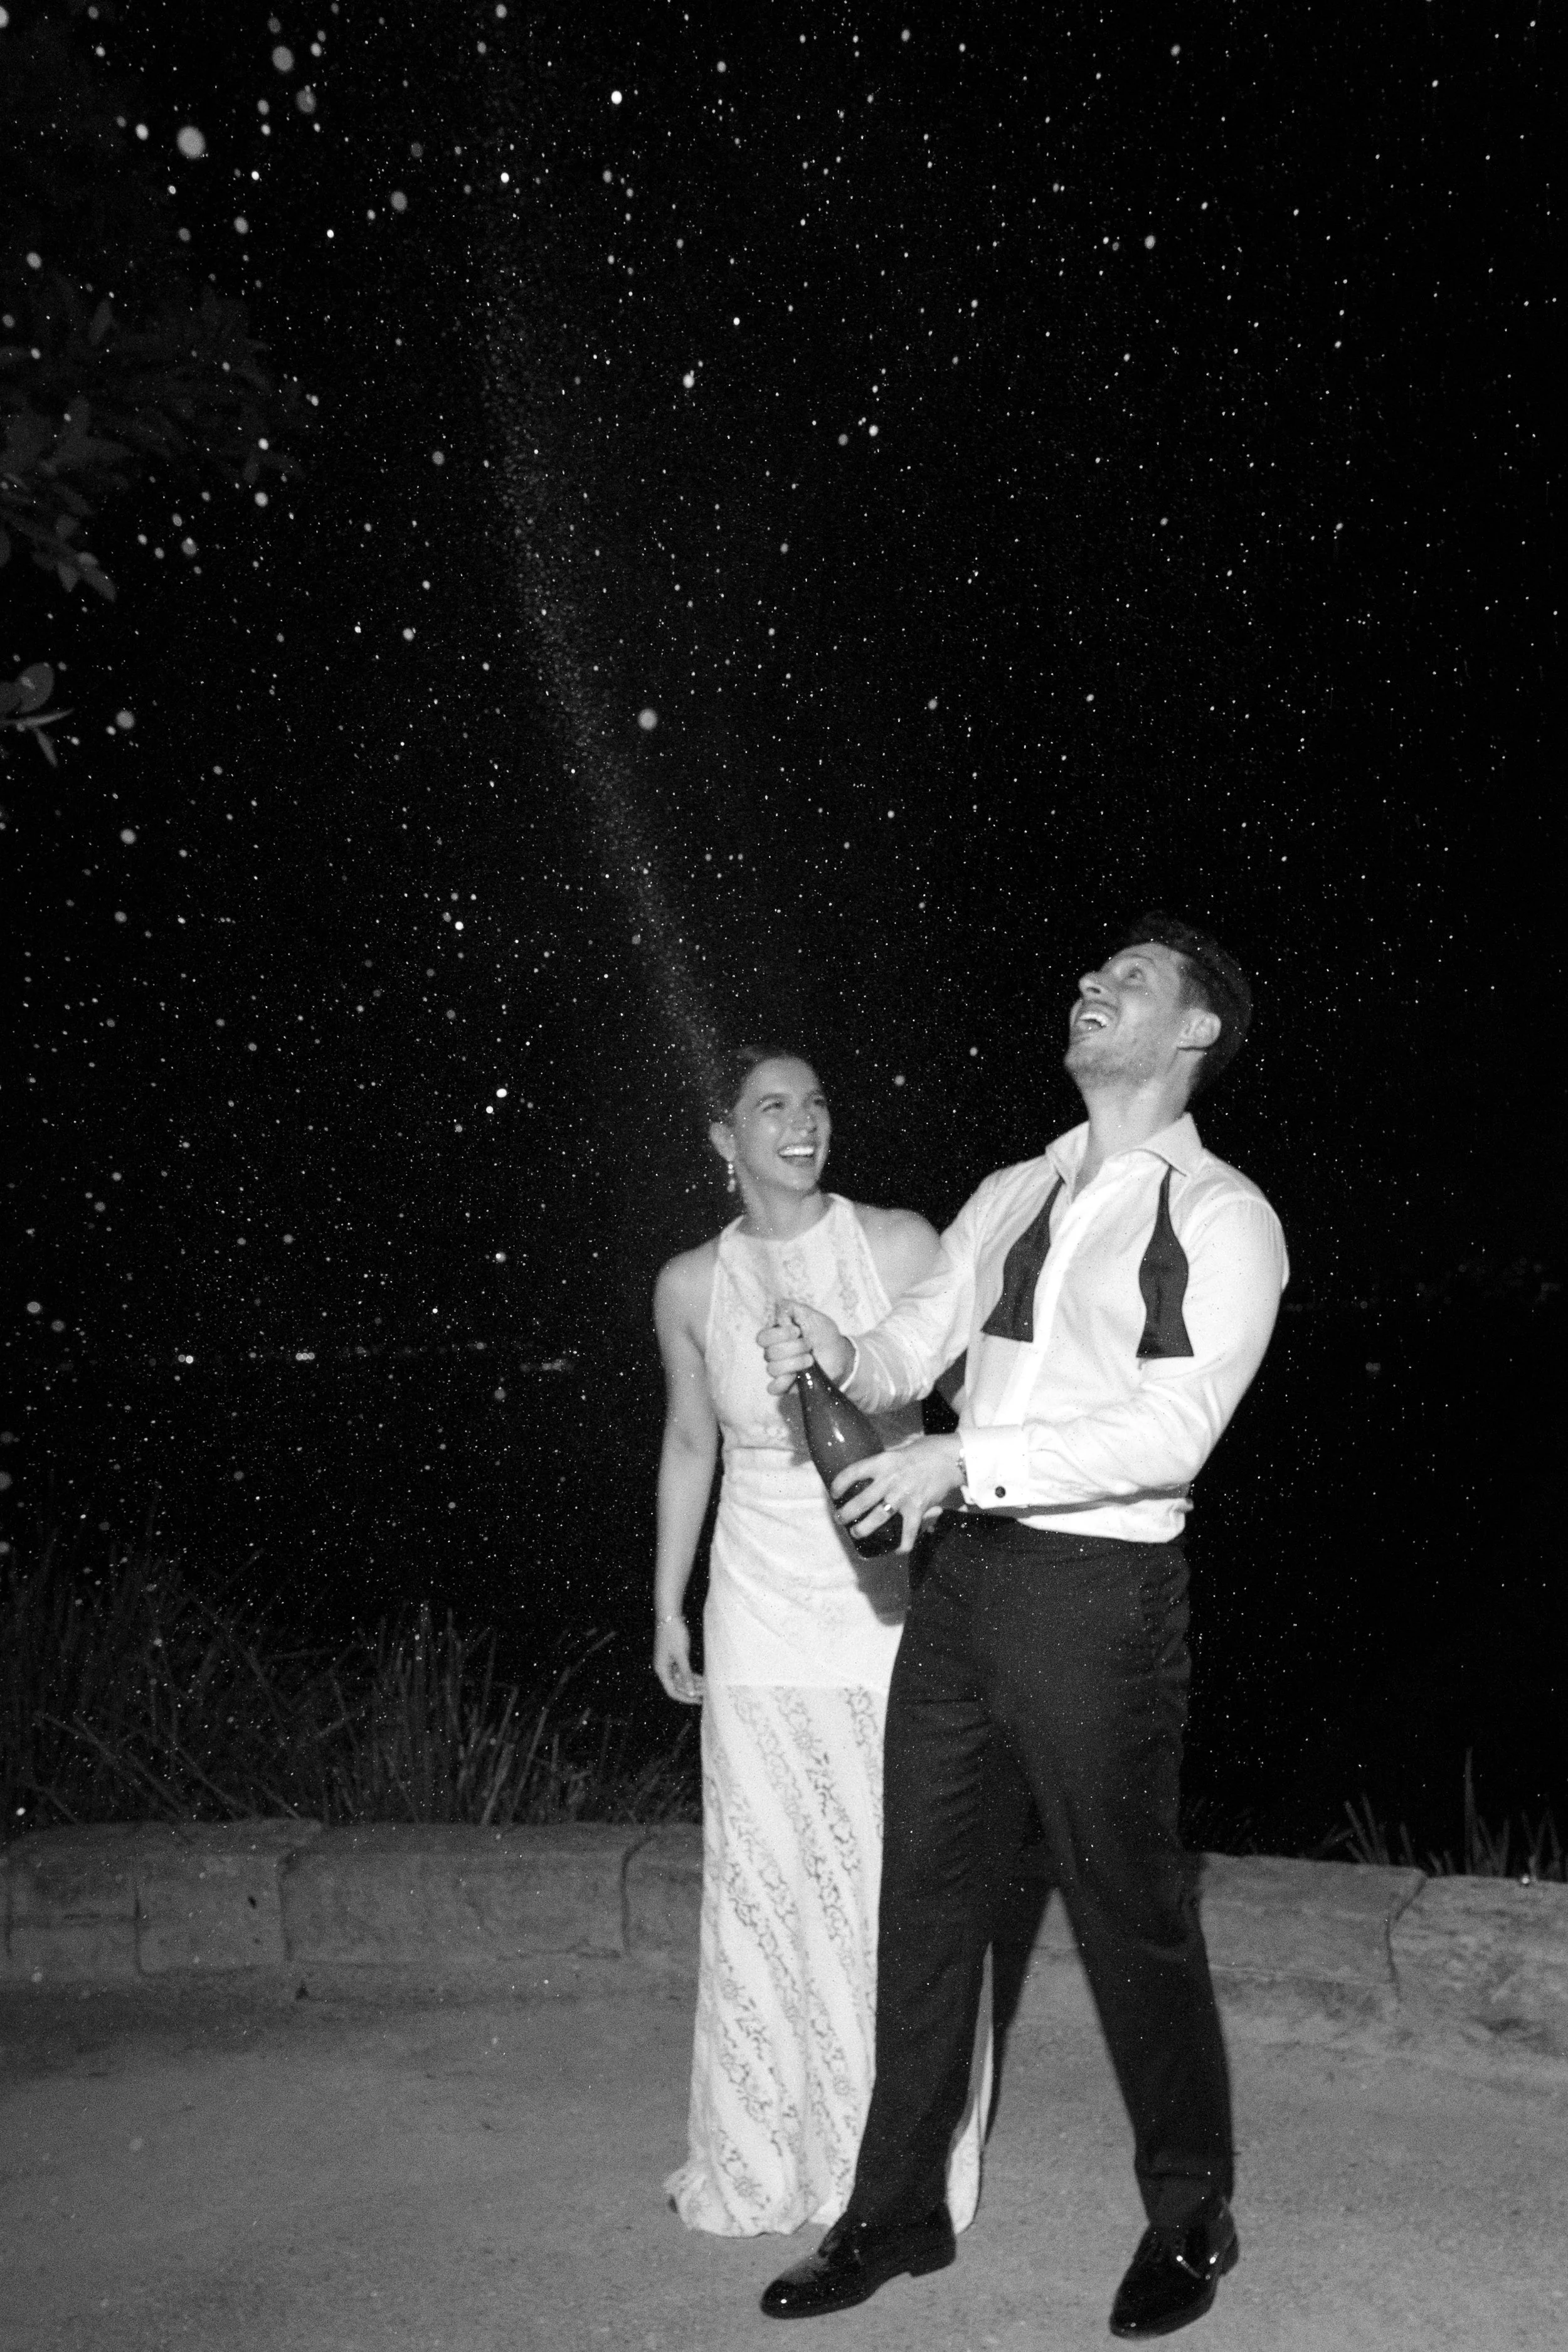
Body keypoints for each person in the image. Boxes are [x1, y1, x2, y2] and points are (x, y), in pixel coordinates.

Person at [756, 917, 1288, 2336]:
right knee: (923, 1907)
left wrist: (957, 1464)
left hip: (1096, 1603)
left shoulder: (1220, 1215)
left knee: (1129, 1919)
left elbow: (1173, 1427)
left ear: (1191, 1035)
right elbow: (910, 1352)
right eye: (1085, 975)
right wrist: (836, 1352)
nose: (1088, 987)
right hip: (961, 1592)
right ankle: (893, 2215)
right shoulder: (1012, 1189)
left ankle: (1187, 2215)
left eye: (1127, 982)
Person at [652, 1046, 991, 2239]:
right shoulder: (691, 1283)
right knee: (767, 1867)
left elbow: (968, 1405)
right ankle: (765, 2149)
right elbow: (693, 1443)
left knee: (894, 1870)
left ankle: (890, 2164)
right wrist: (667, 1605)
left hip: (881, 1599)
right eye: (772, 1107)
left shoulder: (897, 1242)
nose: (802, 1125)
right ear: (722, 1136)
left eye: (816, 1103)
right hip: (753, 1599)